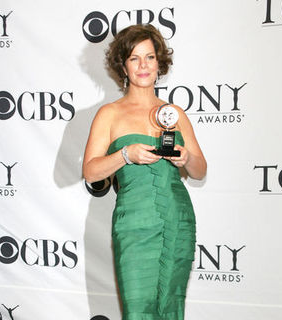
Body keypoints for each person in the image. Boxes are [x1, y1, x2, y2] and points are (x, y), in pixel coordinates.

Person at [83, 24, 207, 320]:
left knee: (171, 307)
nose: (143, 66)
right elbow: (90, 172)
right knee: (138, 310)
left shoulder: (174, 114)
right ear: (122, 66)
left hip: (177, 220)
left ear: (159, 63)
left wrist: (186, 158)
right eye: (134, 58)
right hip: (134, 224)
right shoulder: (109, 114)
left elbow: (200, 170)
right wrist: (125, 155)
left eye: (149, 57)